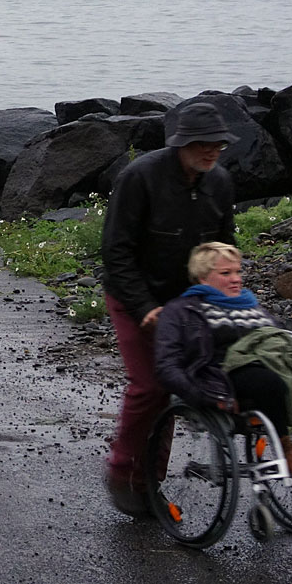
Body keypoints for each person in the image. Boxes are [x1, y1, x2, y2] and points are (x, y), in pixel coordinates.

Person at [99, 101, 238, 516]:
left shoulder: (221, 183)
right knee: (150, 386)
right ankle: (122, 471)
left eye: (218, 144)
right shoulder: (139, 177)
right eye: (202, 144)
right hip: (132, 294)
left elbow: (223, 249)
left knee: (182, 383)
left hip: (186, 301)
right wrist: (144, 307)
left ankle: (150, 481)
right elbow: (115, 250)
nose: (211, 151)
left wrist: (226, 295)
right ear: (180, 144)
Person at [154, 242, 292, 477]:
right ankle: (287, 453)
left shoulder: (252, 306)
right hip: (221, 376)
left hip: (272, 365)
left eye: (238, 272)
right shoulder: (181, 311)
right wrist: (203, 394)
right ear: (203, 277)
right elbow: (167, 365)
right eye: (226, 273)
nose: (236, 279)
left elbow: (278, 339)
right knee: (267, 381)